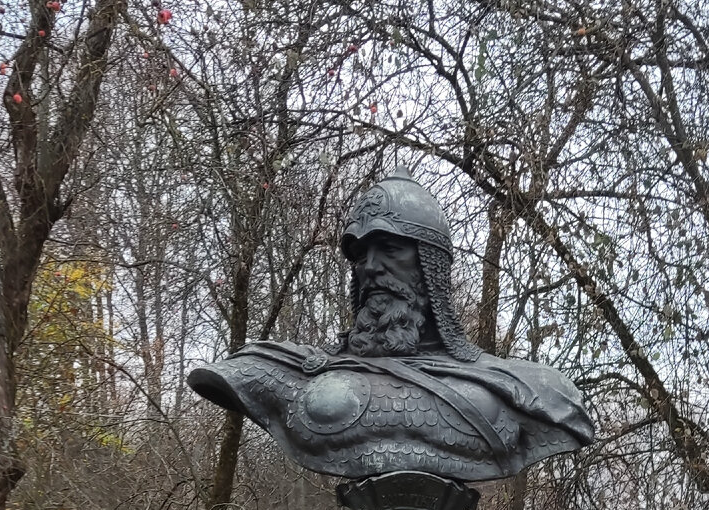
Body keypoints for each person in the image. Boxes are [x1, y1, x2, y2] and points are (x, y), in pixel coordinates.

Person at [187, 168, 594, 484]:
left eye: (390, 248)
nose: (371, 267)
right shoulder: (277, 367)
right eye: (360, 254)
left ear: (430, 266)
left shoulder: (533, 387)